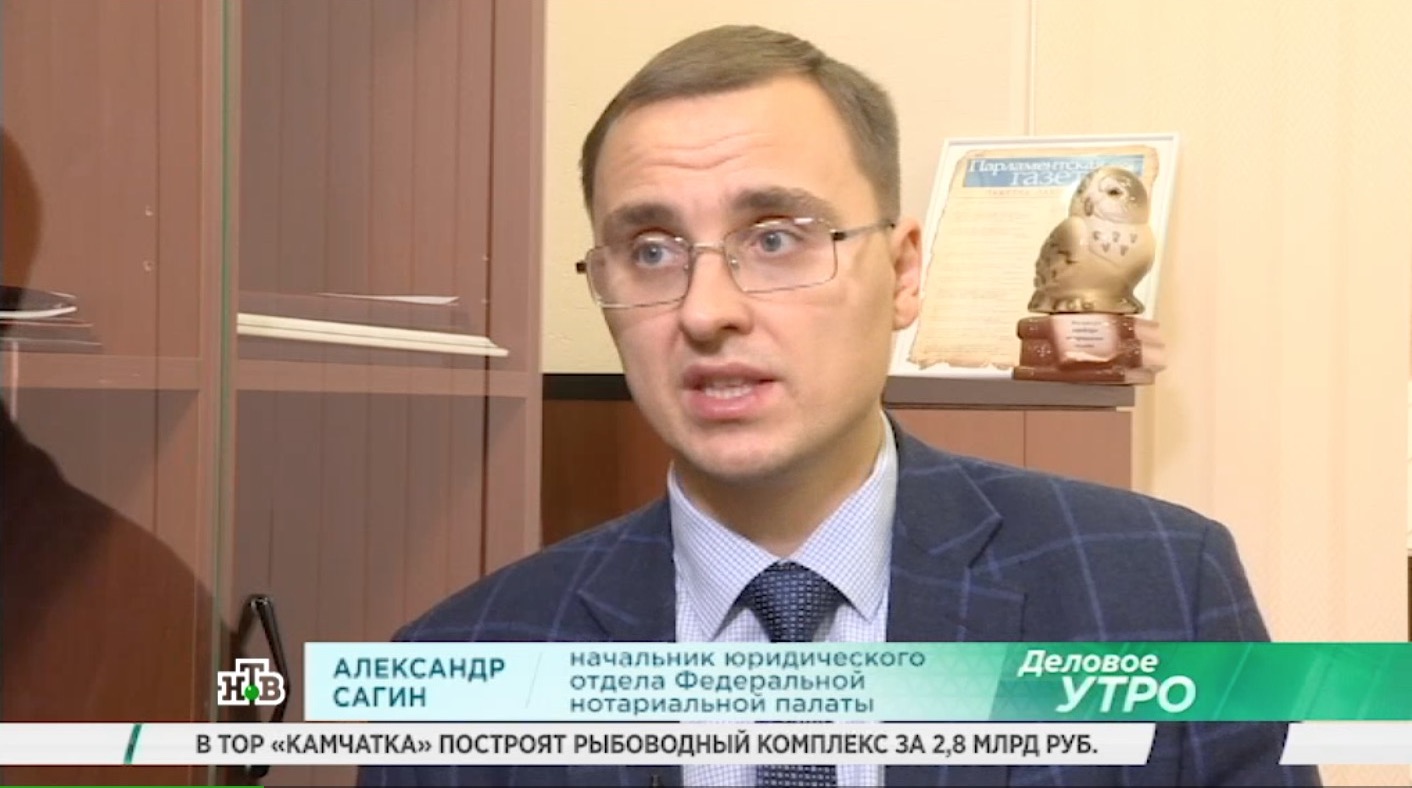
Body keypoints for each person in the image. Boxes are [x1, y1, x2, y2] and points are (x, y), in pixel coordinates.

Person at [358, 25, 1320, 787]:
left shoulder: (1159, 590)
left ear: (902, 274)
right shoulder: (464, 665)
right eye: (651, 251)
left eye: (776, 238)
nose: (706, 311)